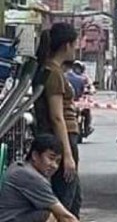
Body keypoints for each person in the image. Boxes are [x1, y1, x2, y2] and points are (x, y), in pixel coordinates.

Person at [32, 23, 82, 217]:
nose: (76, 49)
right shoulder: (53, 73)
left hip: (64, 138)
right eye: (75, 44)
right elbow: (57, 117)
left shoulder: (53, 70)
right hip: (63, 138)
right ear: (66, 45)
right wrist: (66, 155)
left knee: (74, 196)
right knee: (65, 198)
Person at [0, 134, 79, 222]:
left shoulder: (19, 166)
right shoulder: (32, 177)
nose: (54, 166)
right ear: (35, 155)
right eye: (51, 158)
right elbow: (65, 216)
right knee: (49, 216)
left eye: (58, 161)